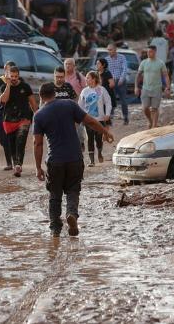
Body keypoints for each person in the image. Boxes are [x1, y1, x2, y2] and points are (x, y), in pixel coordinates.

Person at [32, 83, 113, 237]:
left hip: (55, 160)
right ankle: (72, 215)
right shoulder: (69, 105)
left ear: (41, 97)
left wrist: (38, 167)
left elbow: (38, 143)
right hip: (75, 158)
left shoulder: (39, 115)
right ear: (55, 93)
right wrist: (105, 132)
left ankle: (55, 228)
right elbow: (89, 121)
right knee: (73, 190)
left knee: (55, 195)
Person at [0, 66, 38, 177]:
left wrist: (38, 115)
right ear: (8, 76)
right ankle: (16, 163)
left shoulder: (25, 87)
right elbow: (4, 100)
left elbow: (33, 102)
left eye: (16, 76)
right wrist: (8, 85)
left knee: (20, 141)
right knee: (12, 144)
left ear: (19, 75)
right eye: (12, 76)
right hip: (9, 119)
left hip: (24, 118)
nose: (14, 78)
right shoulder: (3, 87)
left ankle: (18, 165)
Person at [79, 71, 112, 167]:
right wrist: (80, 117)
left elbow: (108, 102)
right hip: (88, 119)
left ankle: (100, 152)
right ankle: (92, 160)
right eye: (86, 78)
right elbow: (80, 105)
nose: (86, 79)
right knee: (89, 139)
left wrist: (107, 114)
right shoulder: (84, 91)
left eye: (88, 78)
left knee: (98, 139)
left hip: (100, 119)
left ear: (94, 79)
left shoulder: (101, 90)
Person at [136, 45, 170, 129]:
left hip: (157, 88)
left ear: (155, 52)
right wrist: (136, 87)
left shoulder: (160, 63)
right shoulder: (144, 62)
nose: (148, 53)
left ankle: (154, 125)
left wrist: (168, 87)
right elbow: (138, 75)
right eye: (147, 52)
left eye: (150, 52)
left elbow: (165, 75)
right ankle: (150, 121)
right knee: (145, 108)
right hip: (145, 88)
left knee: (154, 108)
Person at [105, 44, 130, 124]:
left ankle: (125, 117)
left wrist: (121, 79)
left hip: (120, 81)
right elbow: (105, 71)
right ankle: (109, 118)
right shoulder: (106, 59)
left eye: (111, 50)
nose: (109, 51)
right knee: (110, 100)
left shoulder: (122, 57)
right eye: (108, 50)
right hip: (111, 81)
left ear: (115, 49)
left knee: (123, 100)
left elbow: (124, 68)